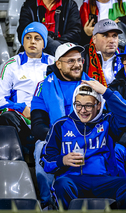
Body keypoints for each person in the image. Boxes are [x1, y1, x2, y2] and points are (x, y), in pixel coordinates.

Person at [41, 81, 126, 209]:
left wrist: (106, 92)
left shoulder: (107, 121)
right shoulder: (61, 125)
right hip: (73, 180)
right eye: (78, 105)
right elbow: (45, 161)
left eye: (88, 106)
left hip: (103, 180)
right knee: (61, 184)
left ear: (98, 105)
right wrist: (62, 160)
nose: (82, 110)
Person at [30, 43, 90, 208]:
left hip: (88, 139)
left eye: (79, 60)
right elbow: (37, 125)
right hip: (54, 139)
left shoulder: (92, 85)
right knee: (41, 147)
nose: (77, 65)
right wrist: (60, 139)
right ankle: (47, 202)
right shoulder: (43, 87)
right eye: (71, 61)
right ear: (58, 64)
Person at [0, 22, 54, 148]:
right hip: (21, 117)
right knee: (6, 117)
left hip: (48, 116)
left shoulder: (55, 63)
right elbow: (1, 98)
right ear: (23, 42)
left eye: (37, 38)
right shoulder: (12, 65)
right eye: (28, 37)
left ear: (44, 43)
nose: (32, 42)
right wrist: (21, 108)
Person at [17, 0, 81, 56]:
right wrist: (50, 44)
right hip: (36, 50)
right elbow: (23, 31)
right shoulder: (29, 6)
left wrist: (56, 47)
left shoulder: (70, 5)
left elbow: (75, 33)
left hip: (64, 50)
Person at [83, 19, 123, 85]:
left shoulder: (125, 57)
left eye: (114, 36)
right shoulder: (82, 56)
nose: (112, 40)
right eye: (105, 35)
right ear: (94, 39)